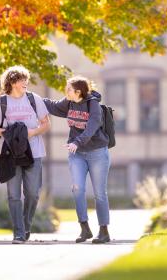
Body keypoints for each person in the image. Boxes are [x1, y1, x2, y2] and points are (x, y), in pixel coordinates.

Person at [43, 76, 111, 244]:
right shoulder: (69, 103)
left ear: (78, 92)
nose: (66, 91)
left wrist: (77, 142)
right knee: (77, 189)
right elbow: (52, 106)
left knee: (99, 193)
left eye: (68, 89)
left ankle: (103, 231)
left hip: (97, 153)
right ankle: (85, 228)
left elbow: (92, 126)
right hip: (77, 154)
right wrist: (30, 96)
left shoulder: (93, 104)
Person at [0, 66, 50, 244]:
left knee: (33, 193)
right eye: (22, 80)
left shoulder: (33, 99)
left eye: (26, 80)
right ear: (12, 82)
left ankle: (26, 224)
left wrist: (32, 132)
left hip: (34, 153)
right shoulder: (1, 102)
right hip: (11, 154)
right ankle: (19, 233)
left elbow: (46, 124)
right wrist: (10, 133)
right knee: (14, 195)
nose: (26, 83)